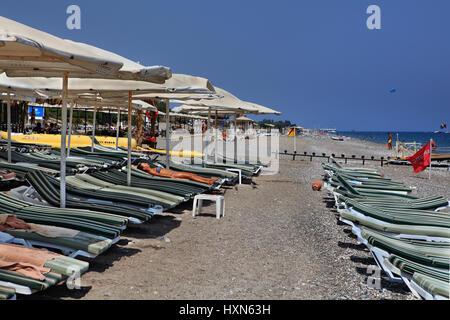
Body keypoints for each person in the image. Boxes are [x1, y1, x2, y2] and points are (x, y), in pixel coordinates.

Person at [136, 163, 219, 185]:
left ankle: (208, 180)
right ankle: (207, 182)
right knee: (190, 176)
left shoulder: (152, 168)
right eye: (144, 164)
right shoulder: (150, 171)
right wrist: (170, 177)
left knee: (191, 174)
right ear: (144, 168)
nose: (146, 164)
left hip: (174, 173)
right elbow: (159, 175)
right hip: (173, 175)